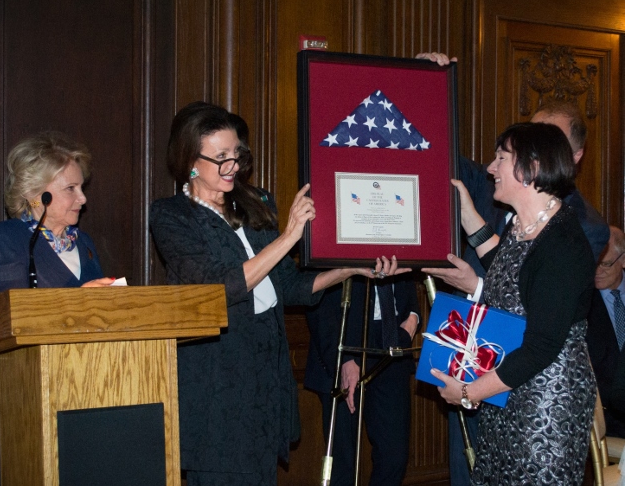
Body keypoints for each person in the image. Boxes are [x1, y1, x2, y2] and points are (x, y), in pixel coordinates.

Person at [149, 101, 408, 486]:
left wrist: (349, 269)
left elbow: (289, 287)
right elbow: (219, 287)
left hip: (266, 375)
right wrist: (289, 237)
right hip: (217, 382)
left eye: (236, 154)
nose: (233, 166)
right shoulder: (172, 216)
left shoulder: (255, 203)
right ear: (190, 160)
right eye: (220, 157)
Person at [430, 122, 597, 485]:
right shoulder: (524, 227)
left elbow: (541, 348)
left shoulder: (563, 245)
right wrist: (467, 214)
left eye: (501, 158)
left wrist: (467, 392)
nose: (491, 168)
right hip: (508, 388)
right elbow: (510, 266)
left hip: (545, 403)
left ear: (531, 168)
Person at [0, 132, 113, 486]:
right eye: (71, 189)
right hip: (9, 399)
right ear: (37, 195)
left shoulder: (85, 244)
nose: (83, 198)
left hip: (74, 394)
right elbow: (8, 313)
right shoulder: (5, 239)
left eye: (82, 188)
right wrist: (81, 299)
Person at [304, 275, 419, 486]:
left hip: (393, 337)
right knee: (344, 464)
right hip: (343, 339)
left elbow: (410, 261)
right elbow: (313, 287)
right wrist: (344, 357)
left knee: (394, 457)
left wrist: (413, 315)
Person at [588, 225, 625, 437]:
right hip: (609, 417)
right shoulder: (582, 302)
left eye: (605, 263)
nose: (597, 270)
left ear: (623, 260)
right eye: (594, 263)